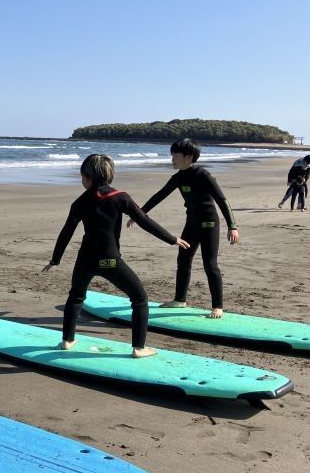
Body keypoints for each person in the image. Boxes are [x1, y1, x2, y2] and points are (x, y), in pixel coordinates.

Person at [43, 154, 189, 358]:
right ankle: (139, 347)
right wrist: (172, 239)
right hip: (110, 260)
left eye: (82, 176)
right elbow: (145, 221)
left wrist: (55, 260)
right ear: (109, 175)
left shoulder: (80, 201)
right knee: (139, 298)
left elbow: (66, 232)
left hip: (85, 259)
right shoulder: (121, 197)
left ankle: (67, 340)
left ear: (87, 177)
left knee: (76, 297)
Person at [128, 138, 239, 319]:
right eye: (171, 155)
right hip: (191, 224)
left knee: (210, 264)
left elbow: (222, 200)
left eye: (175, 156)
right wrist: (139, 214)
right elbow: (159, 196)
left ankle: (218, 306)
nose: (172, 159)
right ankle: (180, 299)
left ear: (189, 157)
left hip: (209, 224)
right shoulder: (179, 177)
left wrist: (232, 226)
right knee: (183, 260)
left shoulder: (203, 175)